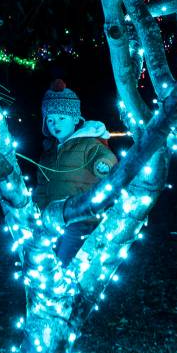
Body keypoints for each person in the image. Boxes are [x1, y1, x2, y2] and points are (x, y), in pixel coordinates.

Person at [33, 79, 118, 264]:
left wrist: (103, 165)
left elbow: (105, 157)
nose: (55, 124)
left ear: (75, 119)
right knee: (48, 262)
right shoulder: (49, 153)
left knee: (66, 261)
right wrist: (38, 208)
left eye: (62, 118)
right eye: (50, 119)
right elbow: (42, 185)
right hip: (53, 218)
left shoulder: (88, 143)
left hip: (80, 218)